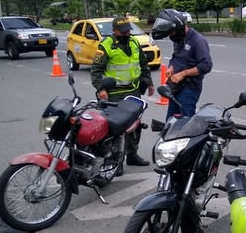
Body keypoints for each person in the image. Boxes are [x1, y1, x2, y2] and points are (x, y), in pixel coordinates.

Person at [90, 15, 153, 168]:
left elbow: (143, 65)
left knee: (134, 126)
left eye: (128, 31)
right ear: (114, 30)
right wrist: (101, 89)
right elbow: (95, 71)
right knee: (115, 130)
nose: (126, 34)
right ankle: (114, 161)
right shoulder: (106, 45)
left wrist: (149, 82)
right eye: (123, 31)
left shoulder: (134, 42)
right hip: (115, 93)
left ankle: (132, 155)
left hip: (133, 91)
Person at [151, 9, 213, 119]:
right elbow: (176, 57)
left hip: (189, 88)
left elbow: (206, 65)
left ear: (179, 28)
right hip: (176, 87)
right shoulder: (179, 39)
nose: (172, 35)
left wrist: (183, 74)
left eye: (172, 32)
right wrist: (171, 67)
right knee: (171, 121)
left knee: (184, 122)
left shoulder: (198, 40)